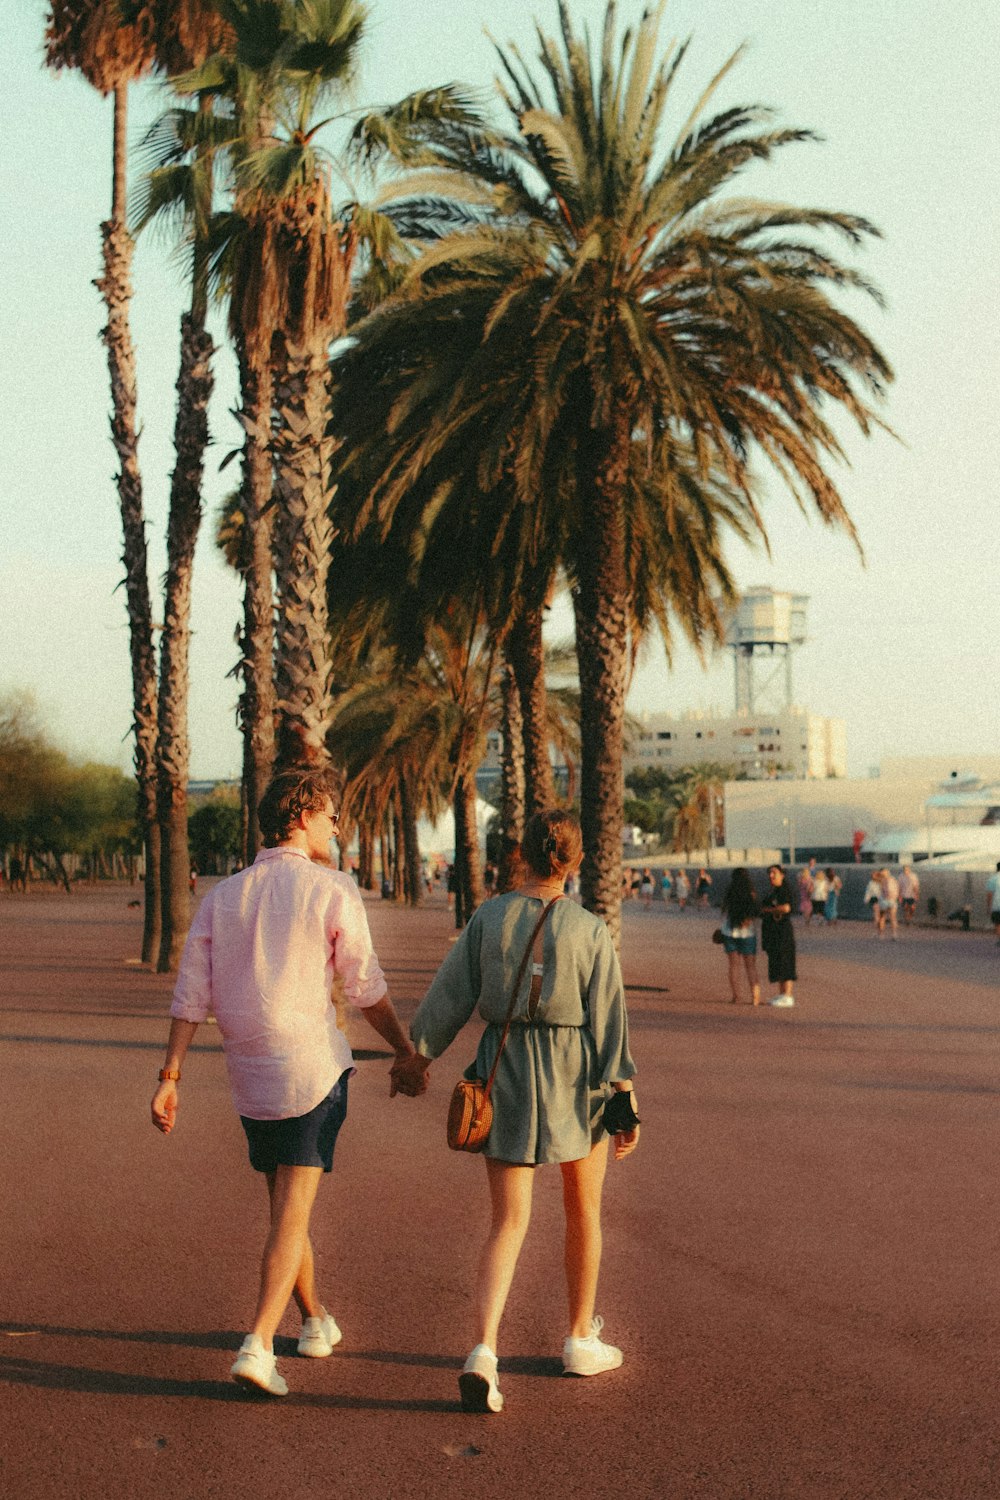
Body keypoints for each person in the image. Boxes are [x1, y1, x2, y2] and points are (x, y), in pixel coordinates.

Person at [149, 766, 427, 1398]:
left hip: (249, 1078)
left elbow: (191, 995)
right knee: (289, 1213)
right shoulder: (333, 889)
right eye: (332, 815)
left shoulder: (223, 897)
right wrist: (406, 1050)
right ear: (303, 817)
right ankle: (257, 1343)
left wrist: (171, 1077)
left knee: (284, 1209)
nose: (338, 826)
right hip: (310, 1072)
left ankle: (315, 1320)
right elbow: (365, 989)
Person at [408, 809, 639, 1414]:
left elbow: (450, 995)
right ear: (575, 861)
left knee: (508, 1222)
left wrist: (419, 1055)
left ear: (524, 855)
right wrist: (624, 1098)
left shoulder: (489, 917)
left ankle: (483, 1352)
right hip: (577, 1074)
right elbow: (610, 1020)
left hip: (504, 1066)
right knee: (583, 1211)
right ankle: (579, 1338)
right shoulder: (590, 930)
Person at [719, 868, 761, 1006]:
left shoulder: (730, 892)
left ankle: (736, 997)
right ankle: (755, 998)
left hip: (729, 932)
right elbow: (755, 912)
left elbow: (725, 912)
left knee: (734, 966)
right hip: (747, 933)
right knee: (750, 966)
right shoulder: (751, 893)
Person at [761, 864, 797, 1007]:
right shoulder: (772, 891)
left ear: (782, 874)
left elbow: (786, 907)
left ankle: (788, 995)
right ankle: (782, 994)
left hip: (783, 932)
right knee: (777, 962)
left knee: (786, 962)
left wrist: (769, 910)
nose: (771, 875)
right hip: (773, 933)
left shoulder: (785, 889)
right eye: (770, 873)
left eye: (774, 872)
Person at [877, 868, 899, 940]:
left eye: (885, 872)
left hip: (892, 900)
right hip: (884, 900)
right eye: (883, 872)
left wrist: (896, 896)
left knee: (893, 917)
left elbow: (897, 888)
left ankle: (894, 934)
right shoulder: (880, 880)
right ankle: (881, 934)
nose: (885, 873)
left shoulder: (893, 879)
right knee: (882, 916)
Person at [986, 862, 1000, 944]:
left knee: (998, 923)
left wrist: (988, 907)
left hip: (997, 906)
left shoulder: (992, 879)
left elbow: (989, 895)